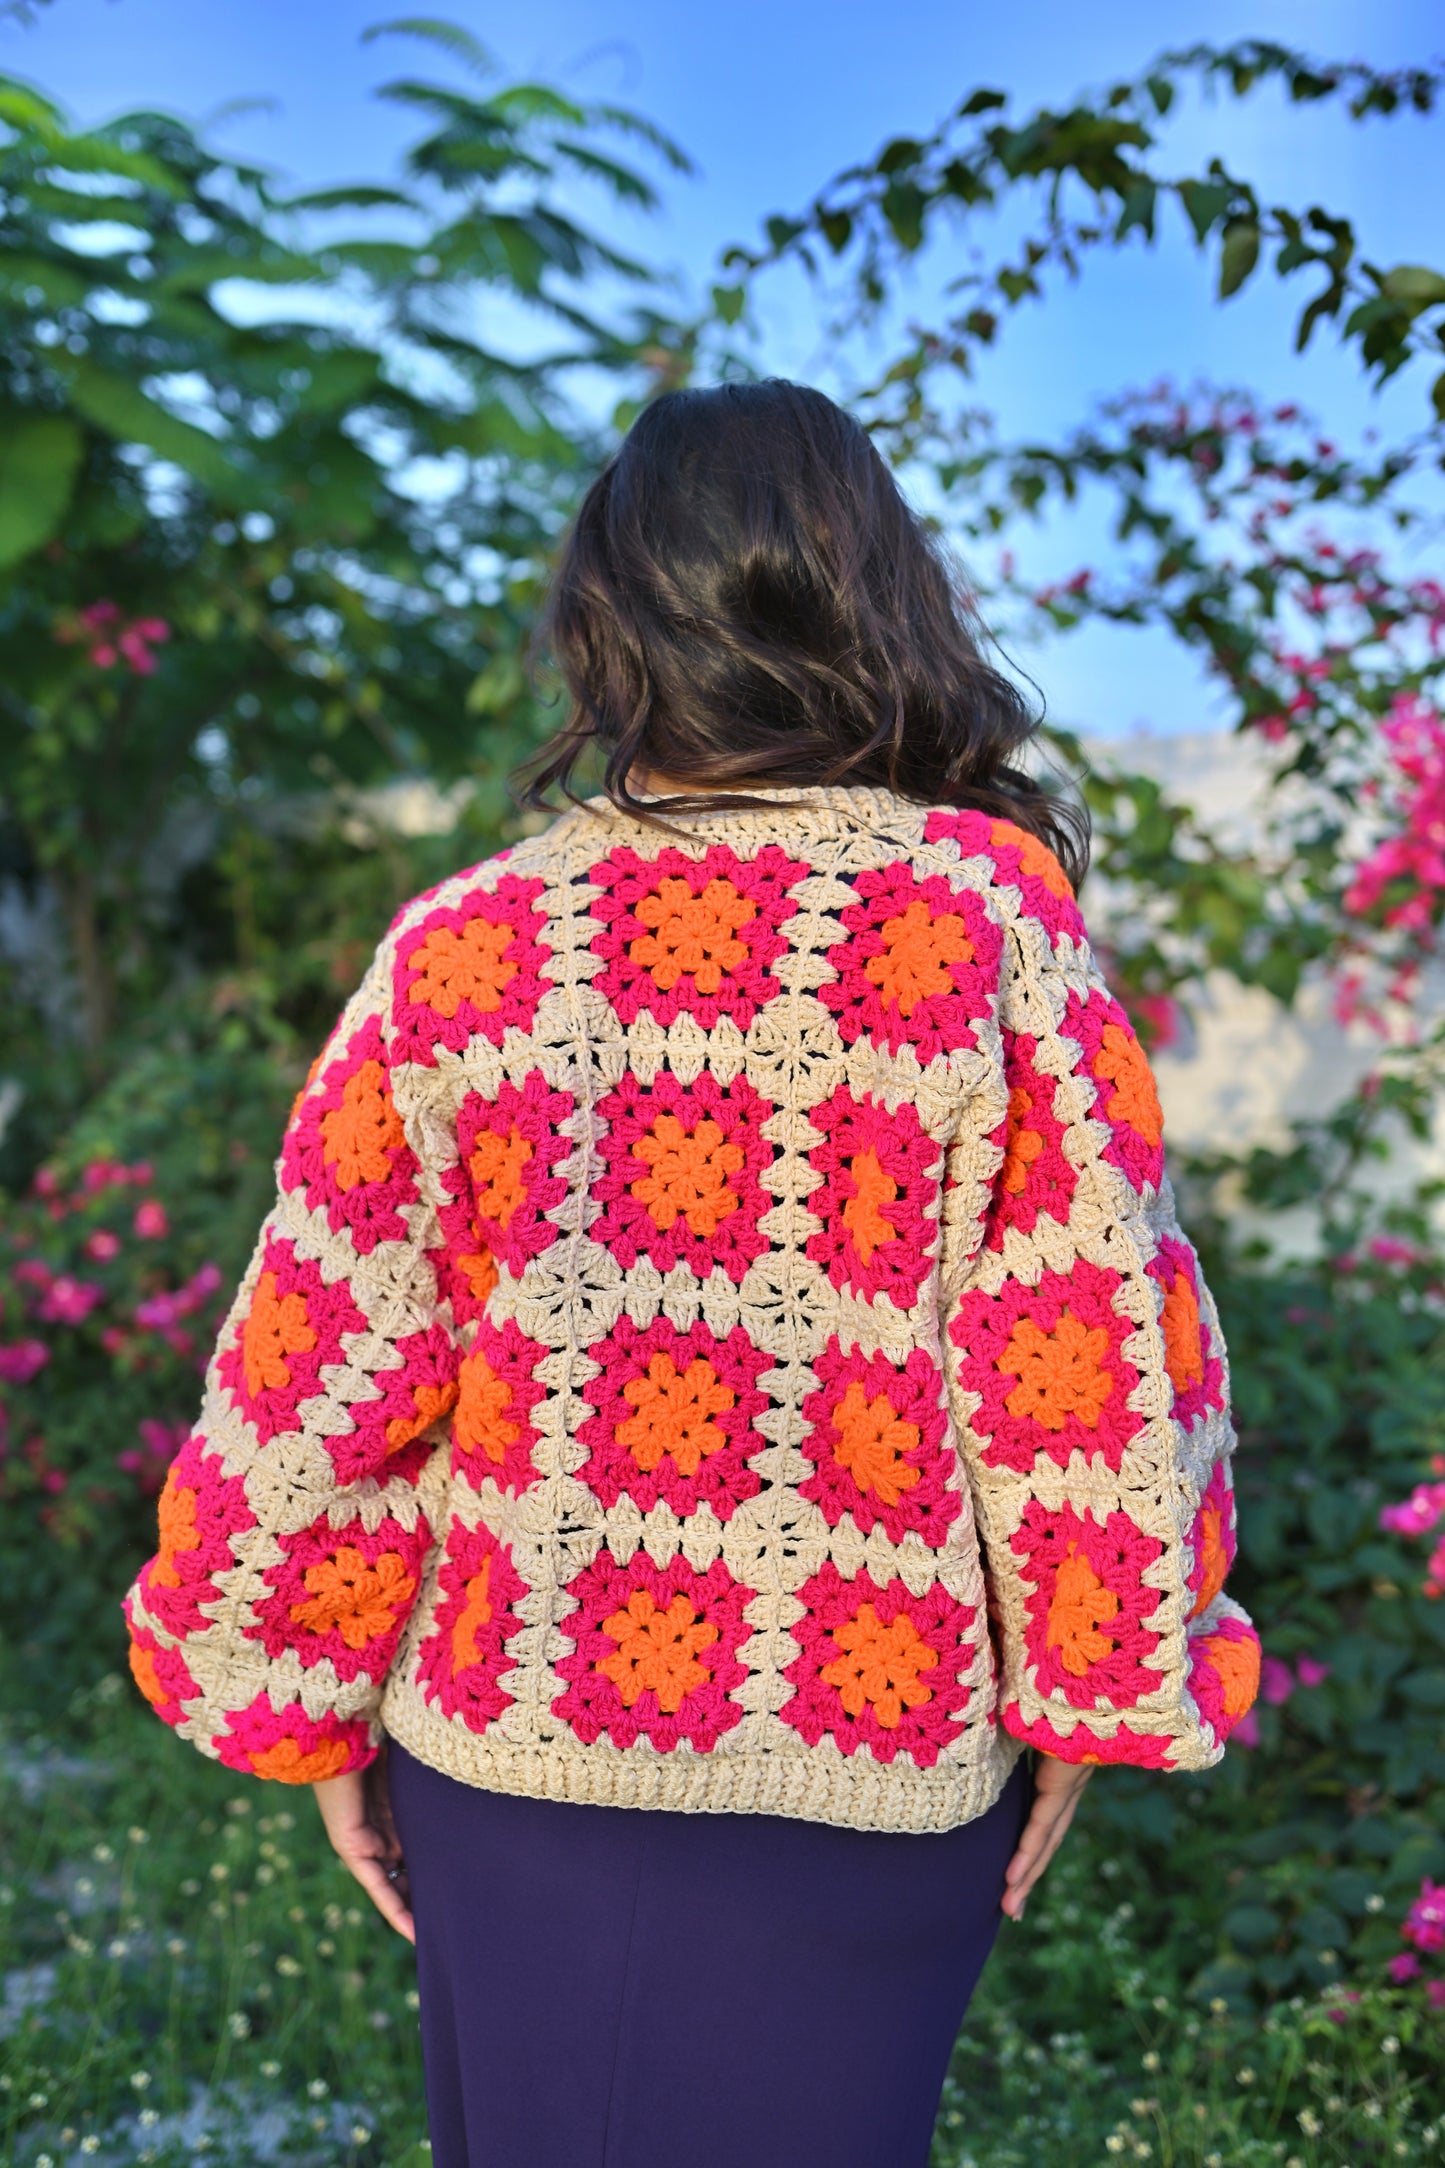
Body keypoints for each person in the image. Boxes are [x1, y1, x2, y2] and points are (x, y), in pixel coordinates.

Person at [123, 379, 1259, 2168]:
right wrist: (1101, 1684)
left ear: (601, 622)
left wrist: (297, 1681)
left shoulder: (467, 951)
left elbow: (329, 1357)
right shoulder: (983, 933)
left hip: (514, 1760)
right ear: (882, 601)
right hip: (874, 1751)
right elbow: (1088, 1358)